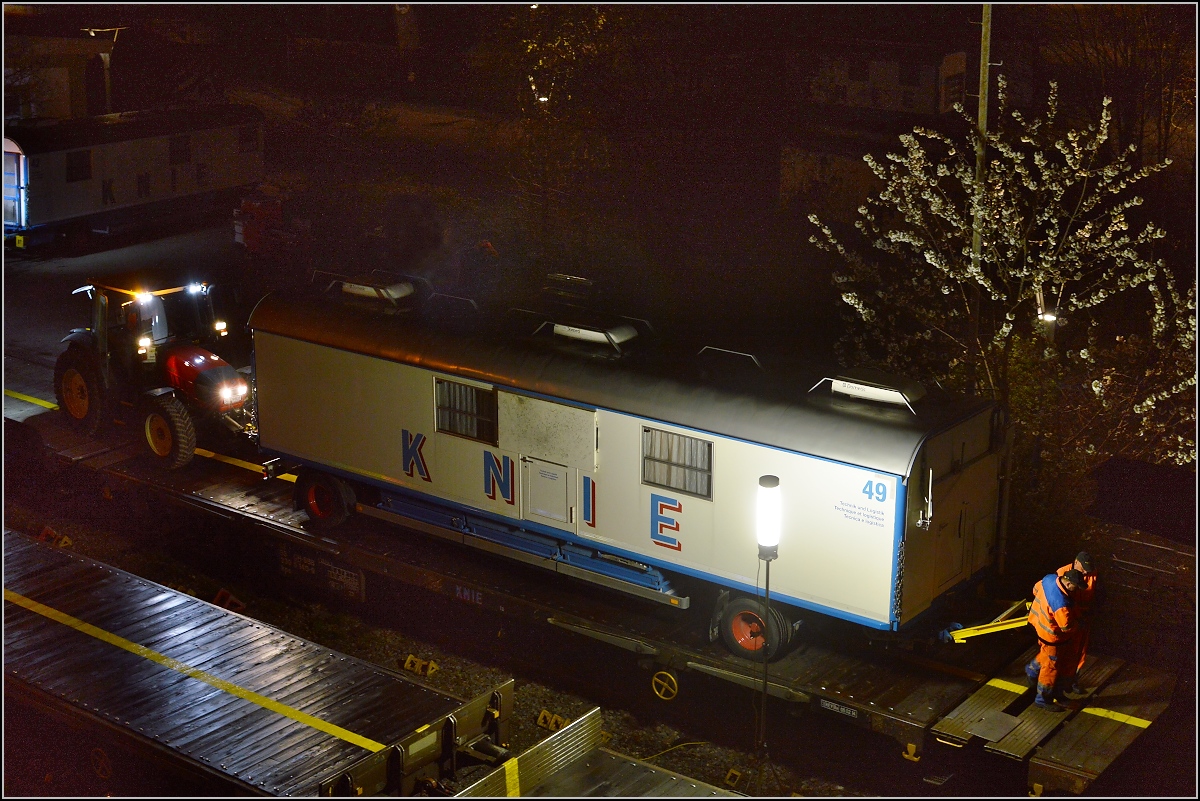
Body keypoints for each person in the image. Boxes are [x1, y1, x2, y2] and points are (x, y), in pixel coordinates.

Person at [1025, 568, 1085, 711]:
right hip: (1053, 637)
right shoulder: (1061, 604)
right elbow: (1066, 626)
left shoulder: (1049, 579)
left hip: (1039, 626)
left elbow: (1035, 590)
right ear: (1069, 584)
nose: (1076, 591)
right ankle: (1042, 699)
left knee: (1047, 656)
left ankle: (1032, 671)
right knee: (1051, 668)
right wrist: (1079, 624)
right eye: (1076, 588)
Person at [1056, 551, 1102, 695]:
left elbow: (1101, 594)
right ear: (1076, 562)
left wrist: (1092, 611)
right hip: (1068, 617)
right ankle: (1058, 680)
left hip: (1084, 618)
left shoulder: (1092, 574)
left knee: (1080, 652)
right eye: (1083, 569)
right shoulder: (1062, 573)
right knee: (1063, 650)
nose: (1085, 573)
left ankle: (1072, 681)